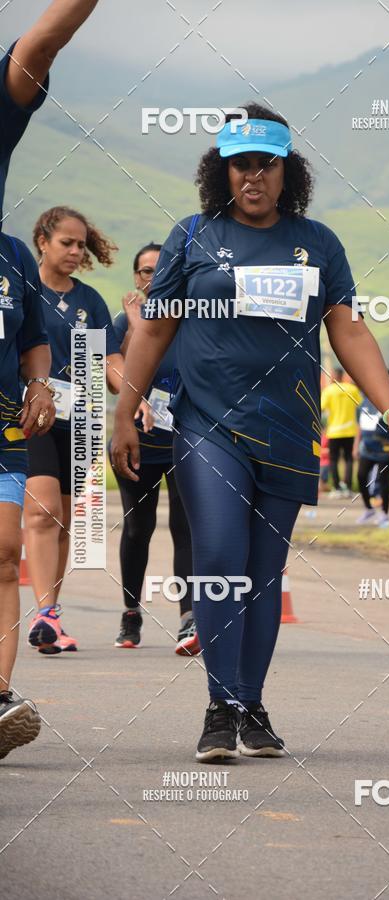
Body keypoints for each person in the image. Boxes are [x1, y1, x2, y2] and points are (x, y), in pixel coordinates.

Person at [111, 103, 389, 762]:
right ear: (221, 171)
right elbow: (156, 327)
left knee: (263, 571)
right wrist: (124, 411)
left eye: (266, 164)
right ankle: (220, 706)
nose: (253, 176)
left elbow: (350, 329)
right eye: (240, 164)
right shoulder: (192, 235)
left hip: (289, 426)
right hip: (208, 423)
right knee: (220, 555)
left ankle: (251, 704)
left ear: (288, 171)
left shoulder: (319, 242)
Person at [0, 0, 97, 759]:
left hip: (17, 421)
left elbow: (37, 341)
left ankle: (0, 701)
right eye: (60, 242)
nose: (70, 250)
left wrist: (41, 384)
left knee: (16, 543)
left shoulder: (9, 259)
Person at [25, 207, 125, 653]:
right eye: (66, 242)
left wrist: (135, 400)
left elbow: (110, 366)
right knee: (42, 511)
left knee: (64, 521)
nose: (75, 251)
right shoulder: (24, 291)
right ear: (42, 241)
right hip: (31, 417)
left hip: (80, 420)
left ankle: (49, 615)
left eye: (81, 244)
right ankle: (44, 614)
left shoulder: (90, 302)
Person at [110, 243, 196, 655]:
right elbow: (114, 369)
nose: (151, 277)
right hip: (139, 442)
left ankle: (188, 618)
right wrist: (133, 325)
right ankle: (131, 610)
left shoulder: (193, 316)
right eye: (144, 271)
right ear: (136, 278)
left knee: (186, 528)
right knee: (138, 528)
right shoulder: (119, 321)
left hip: (186, 437)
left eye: (158, 270)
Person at [354, 370, 389, 527]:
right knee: (361, 476)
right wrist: (356, 445)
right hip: (366, 448)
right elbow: (359, 427)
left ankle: (385, 514)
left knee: (384, 481)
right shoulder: (362, 404)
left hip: (384, 448)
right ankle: (369, 508)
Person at [321, 368, 362, 497]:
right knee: (349, 459)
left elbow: (321, 408)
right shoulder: (352, 389)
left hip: (334, 431)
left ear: (333, 376)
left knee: (333, 460)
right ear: (342, 376)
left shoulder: (329, 391)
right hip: (350, 430)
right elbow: (359, 405)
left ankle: (337, 488)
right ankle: (348, 488)